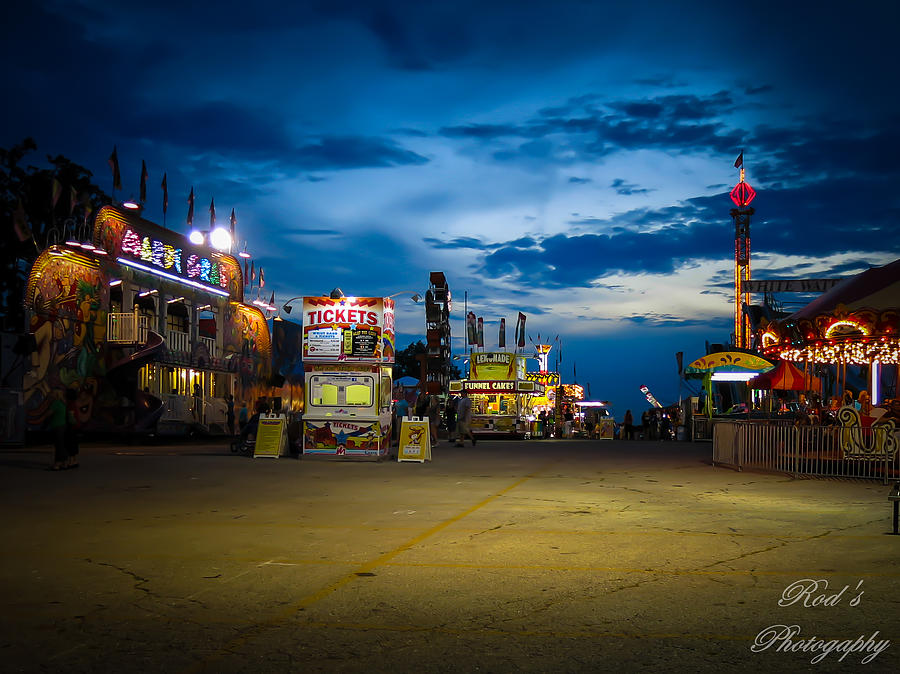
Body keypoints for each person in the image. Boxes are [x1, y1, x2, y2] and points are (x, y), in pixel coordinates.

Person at [47, 391, 67, 471]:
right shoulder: (63, 403)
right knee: (62, 445)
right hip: (63, 426)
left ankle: (57, 464)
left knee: (58, 446)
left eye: (52, 394)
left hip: (57, 427)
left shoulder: (56, 403)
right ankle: (64, 463)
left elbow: (48, 413)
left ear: (56, 395)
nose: (50, 395)